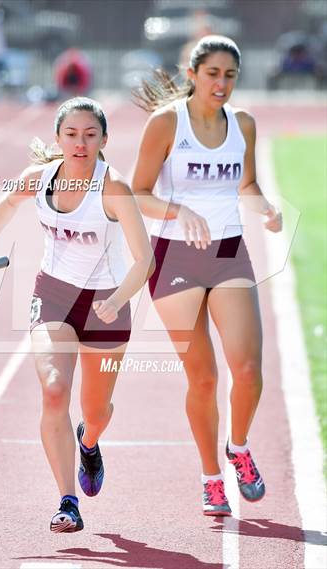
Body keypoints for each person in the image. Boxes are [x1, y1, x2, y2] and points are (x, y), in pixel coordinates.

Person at [0, 97, 154, 532]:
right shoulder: (38, 179)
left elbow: (144, 261)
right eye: (71, 134)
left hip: (107, 303)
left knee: (97, 409)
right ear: (58, 138)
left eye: (89, 135)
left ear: (104, 139)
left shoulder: (113, 188)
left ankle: (89, 441)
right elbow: (6, 205)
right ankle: (68, 500)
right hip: (53, 296)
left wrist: (118, 299)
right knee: (53, 389)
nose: (80, 143)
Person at [131, 35, 282, 516]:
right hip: (175, 258)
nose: (222, 84)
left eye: (231, 75)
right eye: (213, 73)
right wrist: (178, 212)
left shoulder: (243, 124)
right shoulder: (166, 123)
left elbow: (248, 183)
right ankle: (210, 478)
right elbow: (137, 192)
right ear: (192, 73)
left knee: (249, 371)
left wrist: (265, 207)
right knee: (203, 379)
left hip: (228, 253)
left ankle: (237, 448)